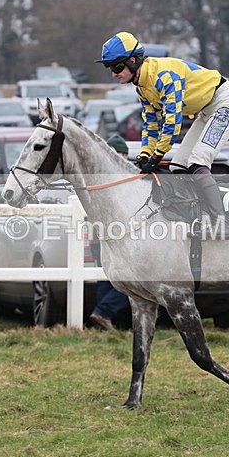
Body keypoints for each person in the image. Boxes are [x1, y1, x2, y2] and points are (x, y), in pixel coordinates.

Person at [96, 31, 229, 236]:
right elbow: (150, 124)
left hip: (225, 104)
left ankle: (221, 223)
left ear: (132, 60)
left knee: (198, 161)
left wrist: (158, 155)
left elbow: (171, 122)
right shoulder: (142, 87)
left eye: (117, 67)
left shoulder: (164, 76)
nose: (114, 73)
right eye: (109, 68)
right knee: (178, 166)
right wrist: (145, 154)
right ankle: (197, 216)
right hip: (206, 111)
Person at [87, 134, 132, 331]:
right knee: (131, 282)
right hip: (116, 239)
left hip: (100, 237)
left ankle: (103, 322)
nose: (121, 158)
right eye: (119, 154)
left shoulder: (98, 176)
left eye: (123, 155)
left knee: (106, 280)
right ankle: (103, 313)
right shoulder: (120, 178)